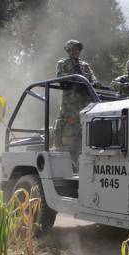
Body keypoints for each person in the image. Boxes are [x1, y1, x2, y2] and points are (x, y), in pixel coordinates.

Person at [54, 40, 99, 169]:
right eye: (72, 49)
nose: (75, 52)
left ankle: (81, 163)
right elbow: (60, 76)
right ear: (68, 51)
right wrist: (74, 77)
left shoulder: (85, 65)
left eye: (77, 49)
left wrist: (95, 83)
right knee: (68, 132)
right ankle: (64, 157)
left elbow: (93, 78)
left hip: (85, 103)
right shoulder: (63, 63)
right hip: (70, 104)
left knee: (85, 133)